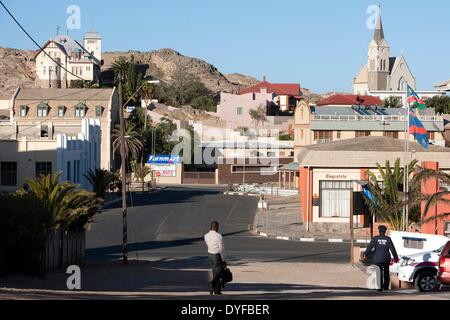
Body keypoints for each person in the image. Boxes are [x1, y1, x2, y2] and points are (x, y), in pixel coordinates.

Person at [364, 225, 399, 291]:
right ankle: (386, 287)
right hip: (386, 259)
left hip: (377, 259)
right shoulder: (388, 239)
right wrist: (396, 258)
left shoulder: (375, 238)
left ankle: (380, 288)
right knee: (386, 273)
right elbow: (392, 249)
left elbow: (369, 247)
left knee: (378, 273)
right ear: (385, 231)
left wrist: (365, 254)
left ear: (379, 231)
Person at [204, 221, 227, 295]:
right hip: (216, 256)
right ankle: (212, 283)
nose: (218, 228)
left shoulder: (206, 235)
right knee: (220, 272)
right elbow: (221, 249)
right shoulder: (218, 236)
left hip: (210, 255)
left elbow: (208, 244)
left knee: (215, 272)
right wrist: (224, 260)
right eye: (218, 227)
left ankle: (217, 291)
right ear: (216, 227)